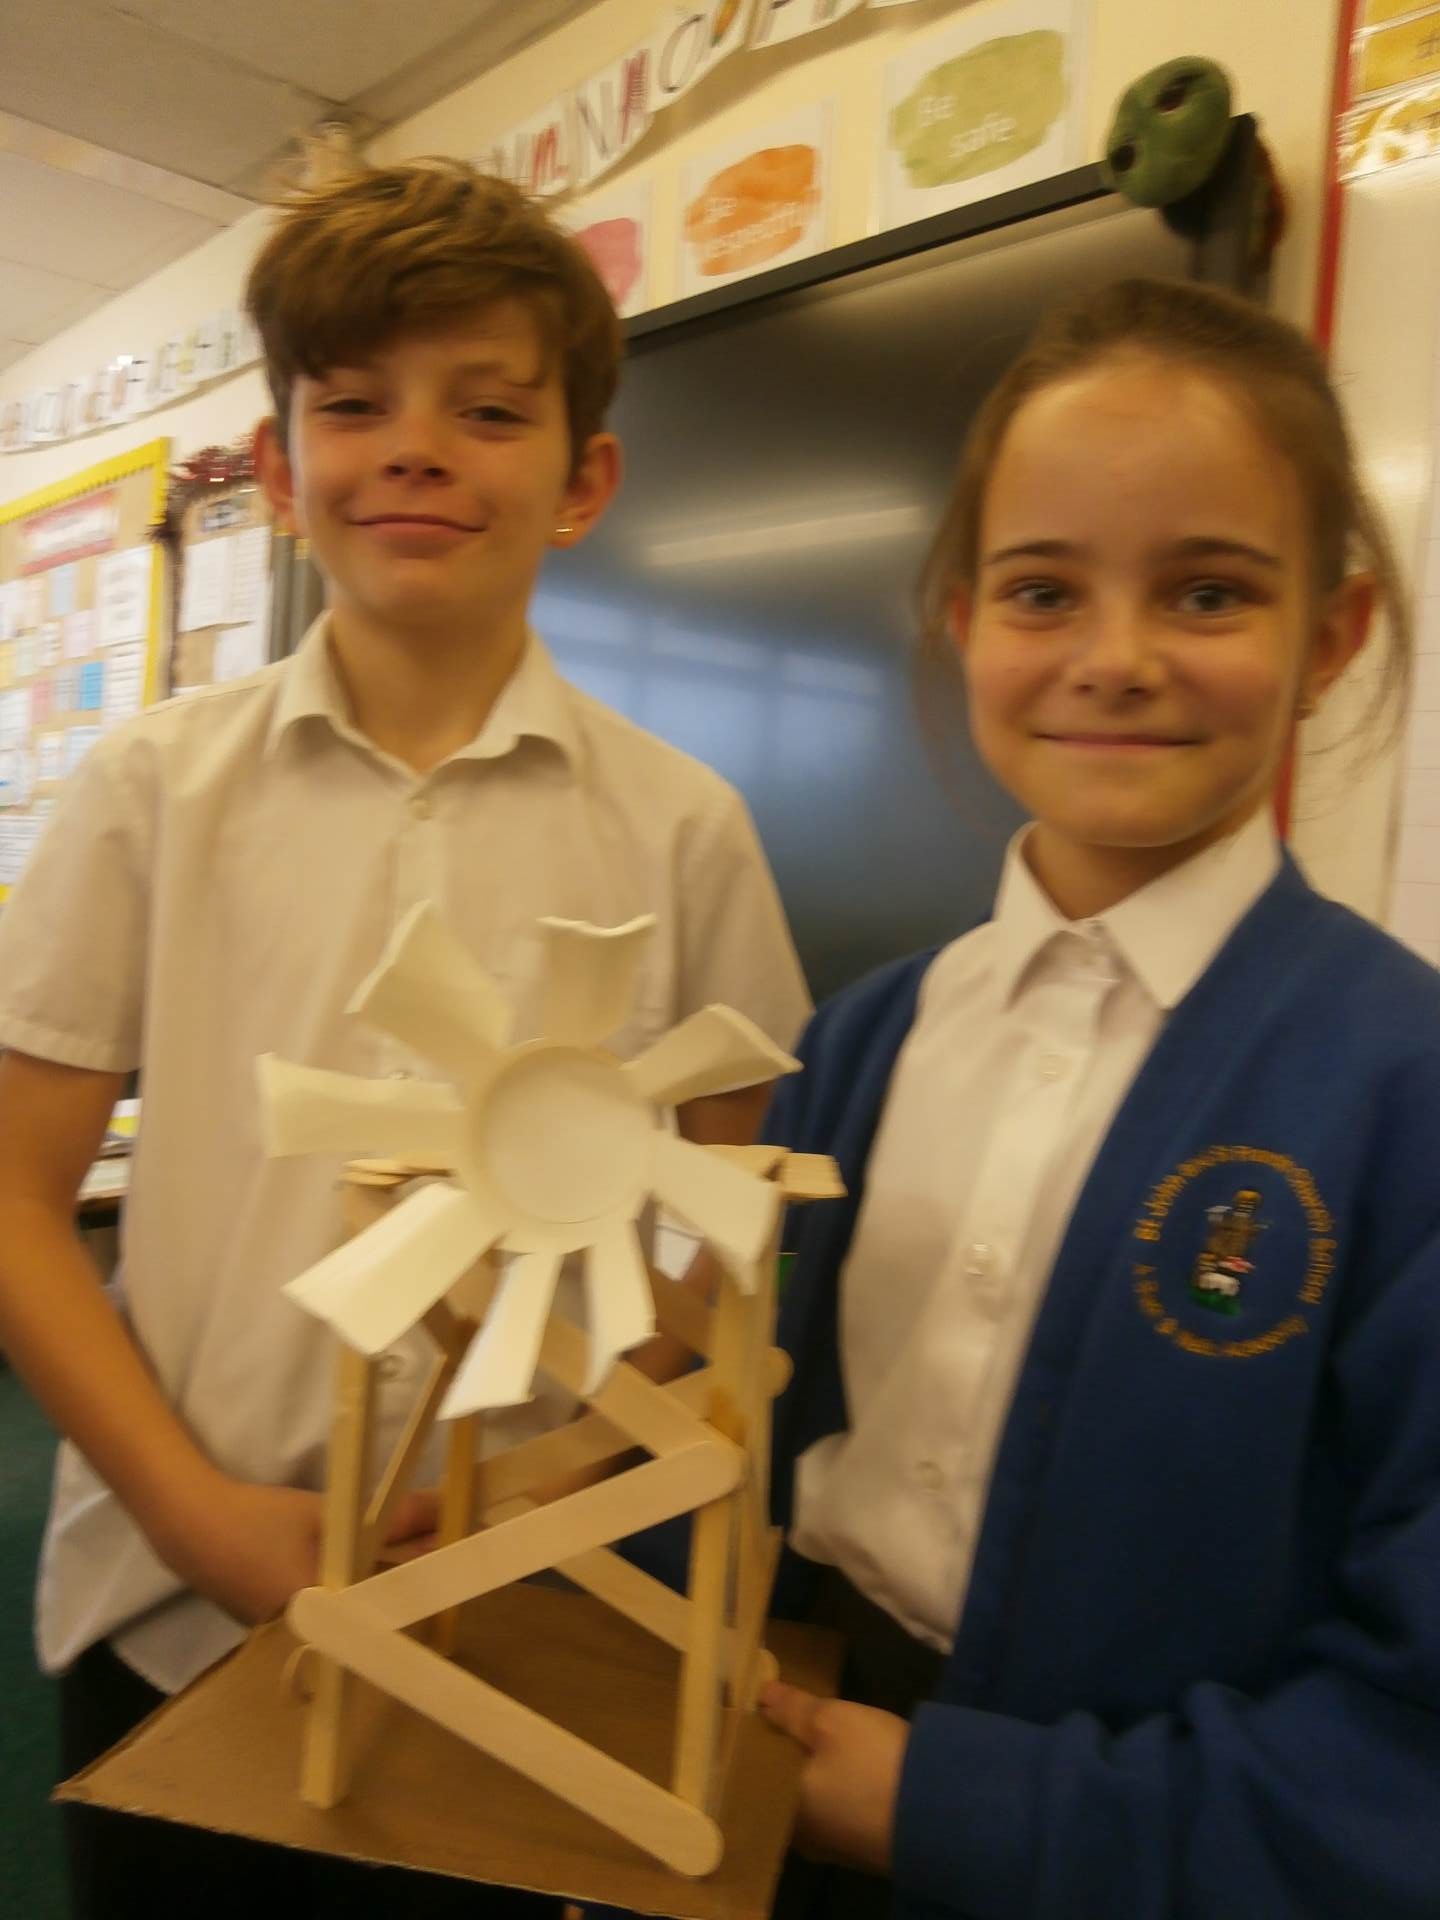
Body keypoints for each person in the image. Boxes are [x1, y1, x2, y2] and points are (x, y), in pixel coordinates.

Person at [0, 156, 809, 1918]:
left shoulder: (684, 832)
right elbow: (13, 1194)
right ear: (283, 472)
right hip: (173, 1595)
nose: (418, 450)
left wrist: (555, 1482)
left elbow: (724, 1222)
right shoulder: (152, 791)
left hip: (520, 1614)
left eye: (489, 409)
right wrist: (189, 1510)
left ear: (583, 480)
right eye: (356, 405)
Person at [757, 277, 1440, 1918]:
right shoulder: (855, 1045)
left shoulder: (1404, 1090)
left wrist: (965, 1811)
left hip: (1158, 1862)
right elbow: (754, 1429)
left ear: (1329, 639)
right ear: (963, 623)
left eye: (1208, 592)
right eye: (1043, 591)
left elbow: (1408, 1734)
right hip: (792, 1772)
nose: (1115, 661)